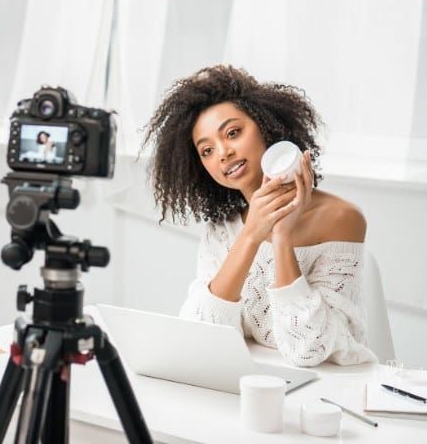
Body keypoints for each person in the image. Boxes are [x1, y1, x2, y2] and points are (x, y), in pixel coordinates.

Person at [141, 65, 377, 367]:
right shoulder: (222, 230)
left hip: (336, 387)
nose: (223, 153)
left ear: (266, 127)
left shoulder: (342, 218)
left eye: (233, 133)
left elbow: (309, 350)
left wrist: (282, 237)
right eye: (207, 150)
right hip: (258, 379)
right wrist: (250, 235)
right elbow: (201, 335)